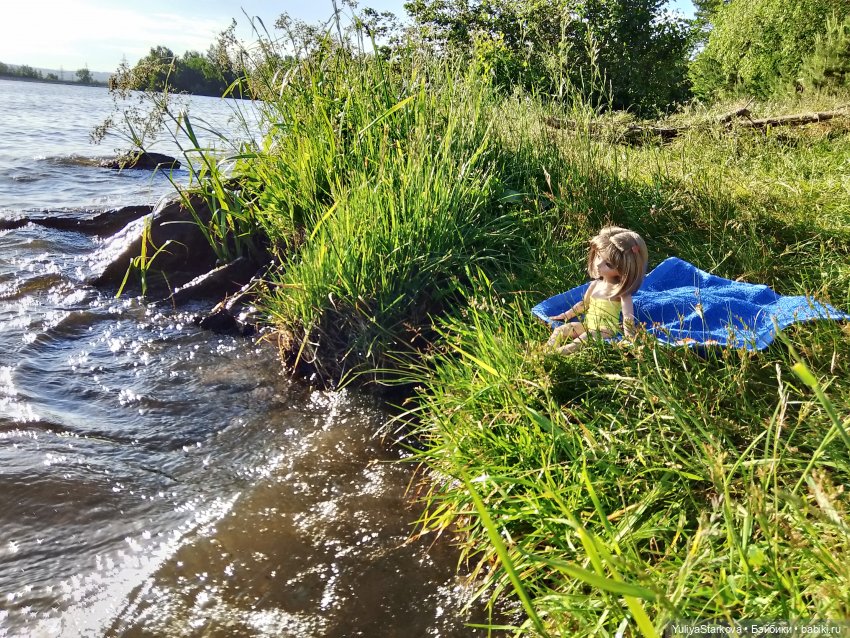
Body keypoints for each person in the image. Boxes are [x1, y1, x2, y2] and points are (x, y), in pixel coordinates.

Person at [546, 226, 648, 354]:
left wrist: (630, 337)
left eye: (608, 264)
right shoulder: (595, 284)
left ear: (624, 270)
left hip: (605, 329)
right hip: (588, 324)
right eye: (599, 257)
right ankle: (546, 350)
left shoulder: (621, 292)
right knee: (561, 330)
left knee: (583, 339)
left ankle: (556, 354)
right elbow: (584, 304)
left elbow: (628, 317)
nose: (599, 264)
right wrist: (566, 315)